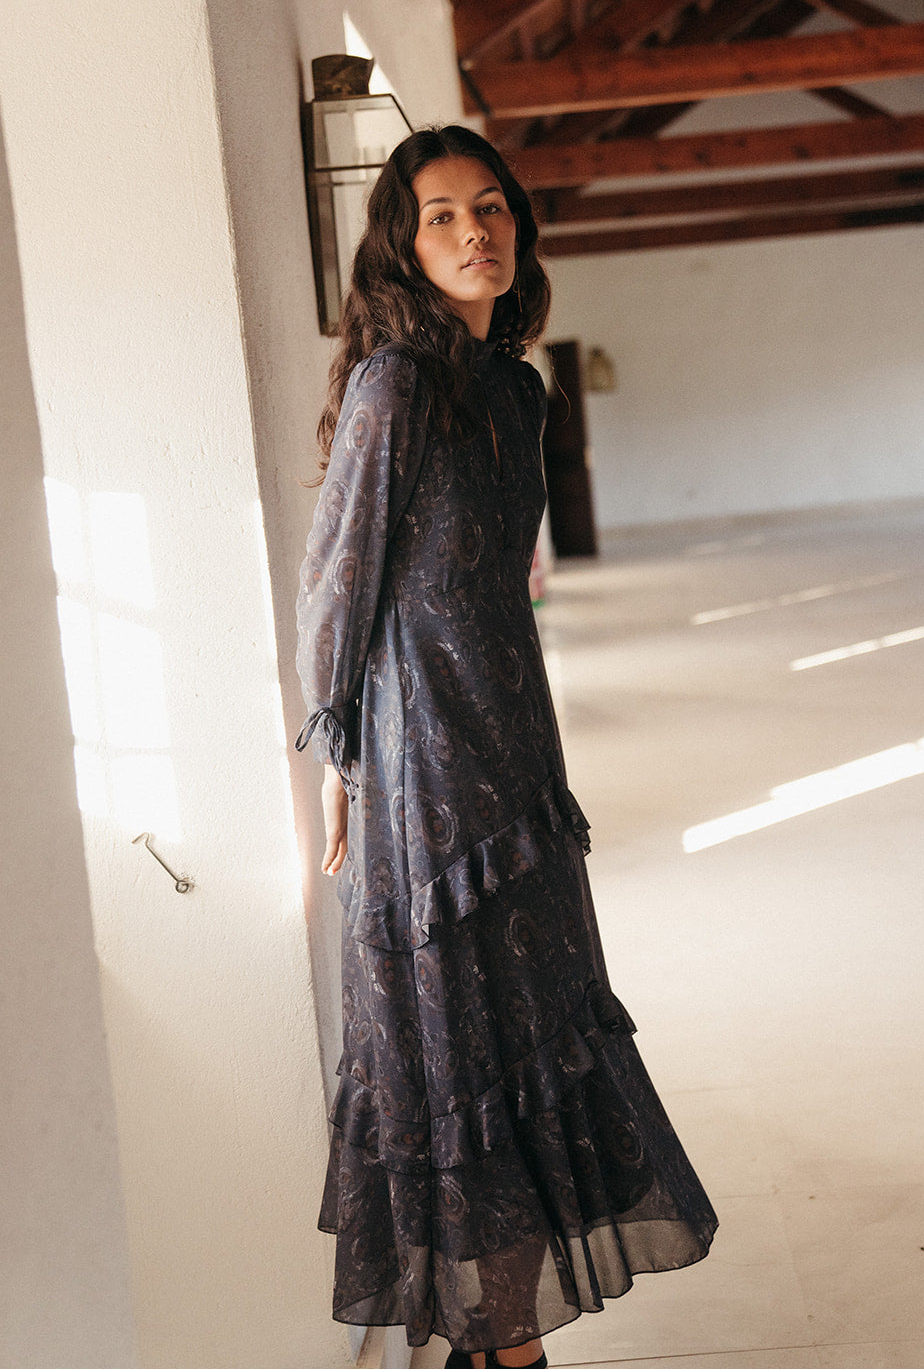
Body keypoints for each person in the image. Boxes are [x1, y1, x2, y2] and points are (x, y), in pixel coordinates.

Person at [295, 125, 717, 1368]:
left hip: (516, 751)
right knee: (458, 1051)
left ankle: (502, 1338)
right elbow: (337, 582)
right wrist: (337, 756)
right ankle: (506, 1345)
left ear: (519, 227)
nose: (472, 230)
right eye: (440, 215)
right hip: (422, 762)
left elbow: (497, 586)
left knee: (532, 1034)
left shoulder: (514, 388)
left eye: (489, 207)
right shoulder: (393, 387)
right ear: (403, 244)